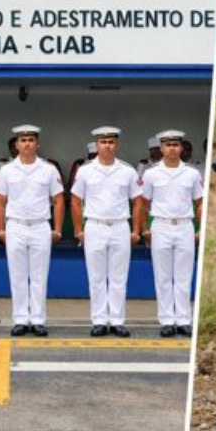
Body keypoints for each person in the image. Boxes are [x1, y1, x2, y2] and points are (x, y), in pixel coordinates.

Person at [70, 126, 145, 337]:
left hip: (120, 225)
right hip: (95, 225)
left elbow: (137, 202)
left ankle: (118, 320)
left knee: (119, 277)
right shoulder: (85, 171)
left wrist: (136, 230)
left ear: (117, 145)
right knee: (96, 277)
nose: (107, 146)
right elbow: (76, 201)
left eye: (111, 142)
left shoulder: (127, 171)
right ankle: (99, 320)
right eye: (103, 142)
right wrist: (78, 230)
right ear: (97, 145)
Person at [0, 125, 65, 336]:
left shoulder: (48, 169)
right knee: (17, 275)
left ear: (38, 144)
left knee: (39, 275)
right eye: (23, 140)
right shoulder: (7, 170)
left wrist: (58, 229)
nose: (27, 144)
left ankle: (38, 319)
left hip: (40, 225)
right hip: (15, 224)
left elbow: (58, 200)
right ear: (16, 145)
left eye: (31, 140)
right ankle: (20, 319)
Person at [141, 130, 204, 337]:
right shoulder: (151, 174)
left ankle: (184, 320)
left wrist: (199, 228)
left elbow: (199, 202)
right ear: (161, 149)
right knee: (163, 276)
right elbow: (143, 203)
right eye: (168, 145)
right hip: (161, 225)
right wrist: (145, 229)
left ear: (181, 148)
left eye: (176, 145)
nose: (172, 149)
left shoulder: (192, 173)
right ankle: (167, 320)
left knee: (184, 276)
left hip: (185, 225)